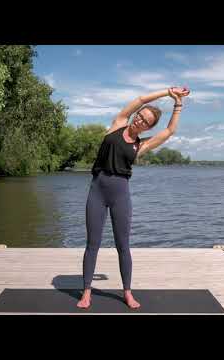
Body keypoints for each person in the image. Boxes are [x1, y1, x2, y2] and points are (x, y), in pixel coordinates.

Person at [77, 86, 191, 309]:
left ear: (148, 127)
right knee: (93, 244)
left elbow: (169, 132)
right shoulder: (119, 123)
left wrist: (178, 105)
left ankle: (127, 292)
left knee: (123, 245)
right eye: (140, 116)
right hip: (97, 190)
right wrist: (167, 92)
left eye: (145, 121)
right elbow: (140, 99)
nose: (139, 121)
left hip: (121, 194)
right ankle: (86, 291)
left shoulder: (141, 145)